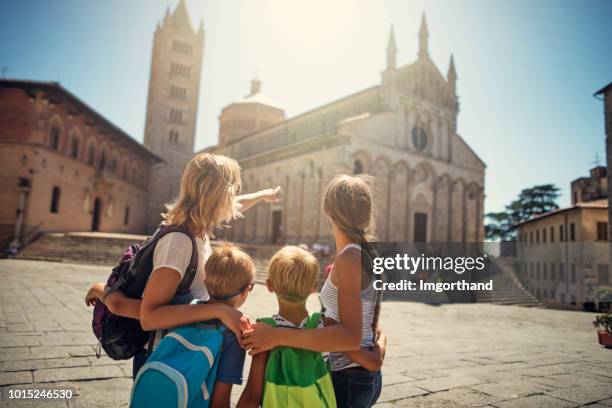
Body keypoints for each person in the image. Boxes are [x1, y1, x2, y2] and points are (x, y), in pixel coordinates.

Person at [85, 153, 280, 377]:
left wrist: (263, 195)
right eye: (233, 189)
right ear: (219, 195)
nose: (234, 197)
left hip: (182, 349)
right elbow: (150, 317)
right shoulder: (179, 242)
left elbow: (238, 205)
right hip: (163, 358)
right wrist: (219, 310)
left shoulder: (198, 227)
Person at [242, 174, 386, 408]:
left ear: (328, 211)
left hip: (346, 378)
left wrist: (276, 335)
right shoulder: (365, 253)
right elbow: (368, 325)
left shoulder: (350, 257)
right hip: (361, 376)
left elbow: (350, 336)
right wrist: (376, 354)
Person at [238, 245, 384, 408]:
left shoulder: (264, 331)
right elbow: (370, 361)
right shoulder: (326, 325)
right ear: (313, 288)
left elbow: (252, 396)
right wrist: (381, 340)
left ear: (269, 286)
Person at [200, 244, 255, 407]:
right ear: (246, 290)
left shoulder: (186, 309)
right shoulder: (233, 334)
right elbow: (220, 400)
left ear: (205, 283)